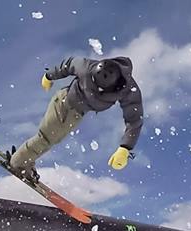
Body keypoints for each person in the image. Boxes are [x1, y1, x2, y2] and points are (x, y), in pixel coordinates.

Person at [8, 56, 144, 181]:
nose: (95, 89)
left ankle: (26, 159)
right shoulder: (86, 67)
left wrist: (125, 147)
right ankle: (18, 163)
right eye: (92, 83)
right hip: (64, 102)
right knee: (46, 138)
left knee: (52, 139)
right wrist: (49, 75)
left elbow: (135, 119)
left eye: (99, 89)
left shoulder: (128, 91)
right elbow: (68, 65)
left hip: (77, 114)